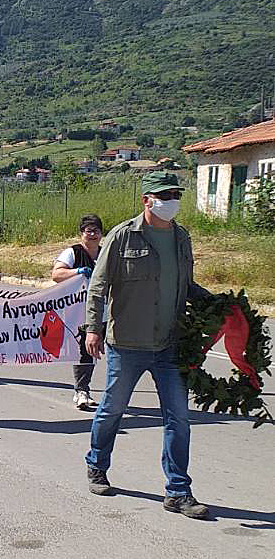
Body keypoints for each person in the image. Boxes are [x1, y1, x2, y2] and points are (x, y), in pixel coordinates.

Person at [84, 171, 211, 519]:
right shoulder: (123, 236)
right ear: (146, 199)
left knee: (179, 418)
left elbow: (186, 285)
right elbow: (98, 286)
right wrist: (93, 329)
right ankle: (97, 465)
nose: (172, 200)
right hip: (128, 343)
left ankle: (178, 492)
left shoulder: (181, 238)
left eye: (175, 193)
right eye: (164, 194)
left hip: (169, 344)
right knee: (112, 409)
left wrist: (220, 305)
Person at [51, 214, 104, 410]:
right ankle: (81, 391)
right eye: (88, 231)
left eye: (96, 231)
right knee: (85, 351)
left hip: (105, 311)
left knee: (103, 351)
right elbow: (56, 274)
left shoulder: (106, 253)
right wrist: (78, 272)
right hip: (79, 312)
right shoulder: (73, 253)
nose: (92, 234)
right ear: (81, 234)